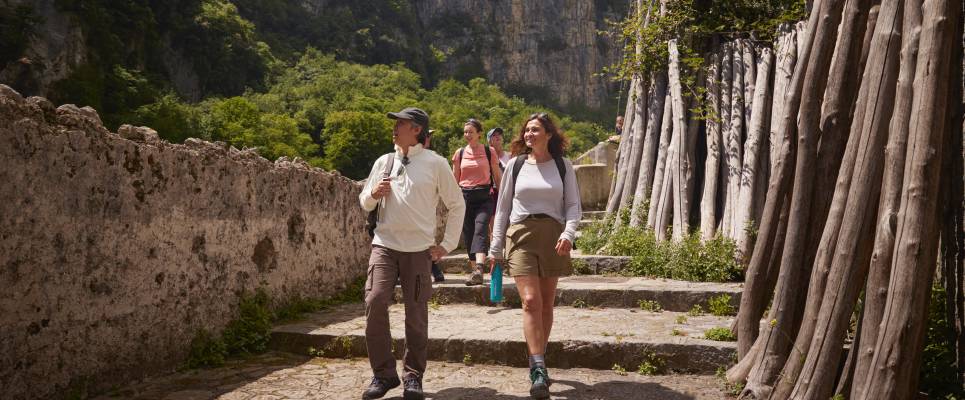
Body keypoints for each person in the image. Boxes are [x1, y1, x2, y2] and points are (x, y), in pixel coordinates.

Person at [359, 107, 465, 400]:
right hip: (384, 246)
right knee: (374, 300)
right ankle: (383, 375)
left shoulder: (435, 163)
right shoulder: (384, 161)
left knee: (415, 315)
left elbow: (457, 204)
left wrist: (447, 245)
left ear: (417, 129)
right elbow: (364, 202)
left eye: (401, 124)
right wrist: (374, 194)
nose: (395, 128)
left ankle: (413, 377)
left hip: (419, 251)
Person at [488, 113, 581, 400]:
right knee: (530, 301)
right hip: (521, 234)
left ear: (549, 134)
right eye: (527, 130)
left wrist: (568, 233)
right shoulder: (515, 166)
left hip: (553, 236)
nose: (529, 134)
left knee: (546, 305)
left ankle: (538, 357)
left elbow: (573, 205)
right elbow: (502, 209)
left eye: (536, 129)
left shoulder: (563, 166)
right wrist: (495, 247)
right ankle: (538, 368)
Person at [452, 118, 502, 286]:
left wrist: (503, 196)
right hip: (464, 197)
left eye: (471, 132)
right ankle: (475, 273)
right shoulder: (459, 153)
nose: (467, 135)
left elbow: (497, 176)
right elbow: (455, 179)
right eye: (465, 132)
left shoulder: (489, 152)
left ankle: (479, 267)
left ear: (479, 134)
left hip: (484, 197)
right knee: (469, 233)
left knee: (480, 229)